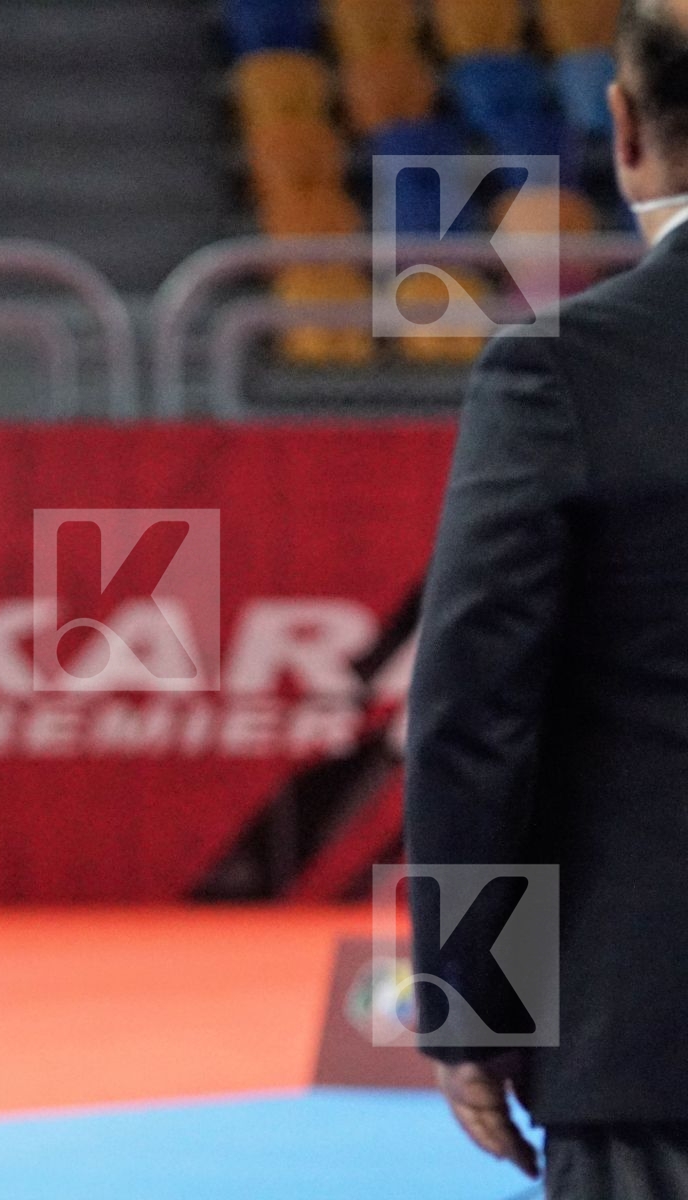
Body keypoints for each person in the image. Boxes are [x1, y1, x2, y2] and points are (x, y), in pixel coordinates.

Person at [406, 1, 688, 1193]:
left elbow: (476, 718)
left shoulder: (563, 370)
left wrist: (475, 1000)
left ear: (621, 128)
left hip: (653, 1052)